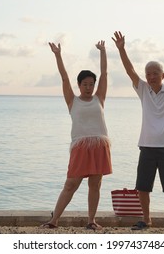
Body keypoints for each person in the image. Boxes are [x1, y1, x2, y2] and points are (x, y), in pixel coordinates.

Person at [112, 29, 164, 231]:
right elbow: (129, 70)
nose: (151, 77)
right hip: (147, 146)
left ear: (162, 75)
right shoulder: (143, 90)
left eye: (155, 73)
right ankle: (146, 219)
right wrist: (122, 50)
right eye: (148, 74)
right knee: (143, 187)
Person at [41, 40, 112, 230]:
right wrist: (58, 55)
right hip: (80, 146)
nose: (88, 87)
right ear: (79, 85)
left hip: (99, 144)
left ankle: (91, 221)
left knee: (95, 185)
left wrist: (103, 52)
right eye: (85, 84)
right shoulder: (72, 101)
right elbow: (64, 78)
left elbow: (105, 73)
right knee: (71, 184)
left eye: (91, 84)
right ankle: (53, 220)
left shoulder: (100, 98)